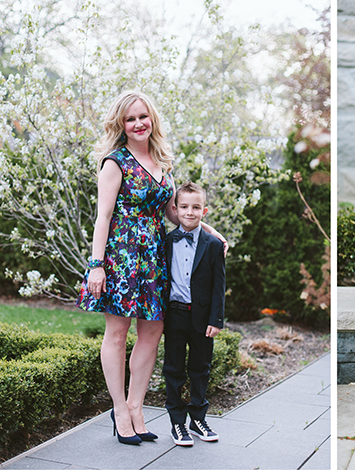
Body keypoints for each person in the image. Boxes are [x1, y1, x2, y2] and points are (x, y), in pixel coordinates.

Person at [77, 90, 227, 445]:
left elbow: (174, 214)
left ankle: (137, 406)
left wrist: (210, 231)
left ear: (152, 119)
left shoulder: (163, 163)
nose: (138, 123)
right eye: (130, 119)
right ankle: (120, 411)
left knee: (152, 334)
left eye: (143, 116)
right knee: (116, 334)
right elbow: (104, 216)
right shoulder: (115, 163)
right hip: (122, 259)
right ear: (121, 125)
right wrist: (97, 266)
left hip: (156, 259)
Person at [162, 182, 225, 446]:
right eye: (184, 207)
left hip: (201, 319)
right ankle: (177, 423)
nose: (190, 212)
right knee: (174, 369)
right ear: (175, 210)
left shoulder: (212, 244)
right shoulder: (166, 241)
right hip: (174, 316)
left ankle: (198, 418)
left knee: (200, 368)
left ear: (205, 210)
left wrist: (216, 319)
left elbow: (219, 285)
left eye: (196, 207)